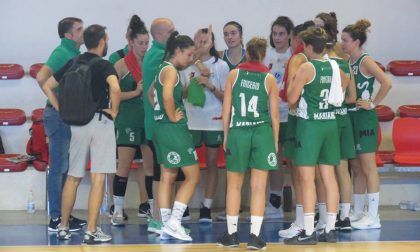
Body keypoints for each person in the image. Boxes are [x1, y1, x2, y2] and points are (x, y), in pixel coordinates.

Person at [42, 24, 121, 244]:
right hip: (100, 122)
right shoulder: (105, 65)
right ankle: (92, 230)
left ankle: (63, 226)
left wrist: (60, 107)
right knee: (98, 178)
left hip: (76, 125)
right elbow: (115, 88)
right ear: (103, 41)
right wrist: (114, 110)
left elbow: (47, 85)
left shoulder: (73, 62)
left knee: (73, 178)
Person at [284, 27, 350, 245]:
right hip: (330, 123)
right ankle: (330, 229)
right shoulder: (333, 65)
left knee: (306, 178)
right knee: (329, 177)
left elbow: (291, 99)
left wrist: (297, 85)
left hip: (310, 125)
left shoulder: (306, 67)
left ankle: (309, 231)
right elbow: (346, 82)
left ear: (309, 47)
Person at [217, 37, 279, 250]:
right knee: (259, 187)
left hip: (239, 131)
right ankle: (255, 237)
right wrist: (275, 141)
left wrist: (226, 135)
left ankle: (232, 235)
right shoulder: (269, 78)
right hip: (262, 133)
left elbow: (226, 111)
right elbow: (275, 115)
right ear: (263, 54)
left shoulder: (234, 74)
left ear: (247, 53)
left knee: (234, 185)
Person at [36, 17, 86, 232]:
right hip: (58, 118)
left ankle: (64, 215)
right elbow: (41, 78)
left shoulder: (74, 53)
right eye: (79, 29)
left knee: (65, 168)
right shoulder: (62, 53)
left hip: (67, 118)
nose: (83, 32)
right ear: (68, 35)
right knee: (58, 169)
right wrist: (58, 106)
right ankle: (56, 218)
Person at [341, 19, 392, 230]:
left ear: (356, 41)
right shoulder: (348, 61)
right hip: (352, 116)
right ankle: (358, 210)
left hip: (364, 118)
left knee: (369, 166)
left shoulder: (365, 60)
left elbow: (387, 82)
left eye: (345, 40)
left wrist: (373, 103)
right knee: (356, 167)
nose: (341, 43)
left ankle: (373, 215)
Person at [151, 32, 199, 242]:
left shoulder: (162, 69)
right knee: (193, 176)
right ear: (177, 51)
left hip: (161, 128)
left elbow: (150, 93)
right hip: (173, 128)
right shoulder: (170, 71)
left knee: (167, 176)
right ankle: (174, 223)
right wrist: (171, 115)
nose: (190, 60)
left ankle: (165, 223)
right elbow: (167, 96)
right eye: (188, 55)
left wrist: (161, 112)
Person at [181, 28, 229, 223]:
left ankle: (206, 207)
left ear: (211, 43)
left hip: (213, 121)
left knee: (211, 164)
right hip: (191, 121)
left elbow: (226, 97)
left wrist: (209, 85)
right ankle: (182, 205)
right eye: (197, 41)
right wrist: (193, 83)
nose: (200, 44)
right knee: (185, 164)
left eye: (204, 41)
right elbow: (181, 95)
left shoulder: (221, 66)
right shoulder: (185, 65)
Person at [314, 15, 357, 232]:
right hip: (344, 120)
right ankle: (345, 217)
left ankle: (323, 218)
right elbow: (352, 97)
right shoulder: (343, 60)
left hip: (326, 121)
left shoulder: (320, 64)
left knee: (324, 172)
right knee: (343, 170)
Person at [110, 14, 154, 226]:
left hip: (148, 120)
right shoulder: (120, 65)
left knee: (150, 167)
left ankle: (152, 209)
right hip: (127, 120)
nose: (145, 47)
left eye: (147, 43)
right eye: (140, 43)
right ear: (130, 42)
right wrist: (136, 92)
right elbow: (113, 96)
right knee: (124, 167)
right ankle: (117, 210)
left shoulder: (152, 62)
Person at [278, 20, 314, 239]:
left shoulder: (298, 58)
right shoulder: (320, 59)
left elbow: (292, 97)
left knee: (299, 174)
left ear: (297, 38)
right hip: (314, 120)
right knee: (311, 174)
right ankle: (312, 220)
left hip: (298, 118)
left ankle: (302, 222)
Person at [263, 15, 294, 220]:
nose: (277, 37)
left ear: (290, 35)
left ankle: (300, 201)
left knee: (293, 159)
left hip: (291, 113)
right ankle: (275, 201)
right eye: (274, 33)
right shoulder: (265, 55)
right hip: (271, 114)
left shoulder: (296, 55)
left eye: (282, 33)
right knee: (274, 157)